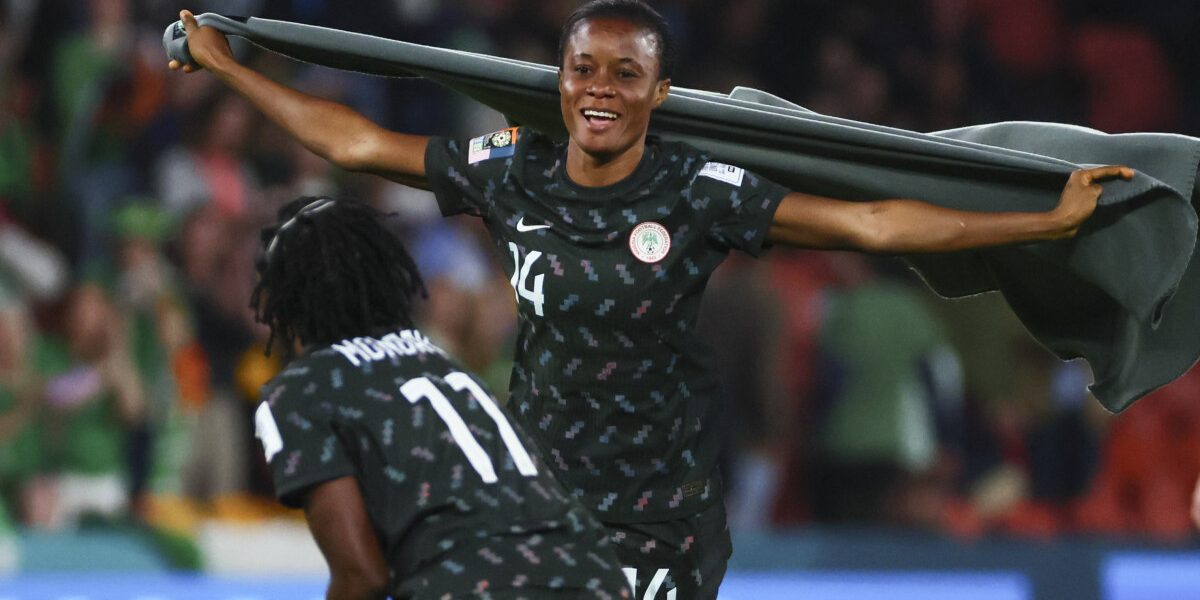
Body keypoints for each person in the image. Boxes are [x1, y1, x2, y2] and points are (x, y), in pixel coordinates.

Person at [171, 1, 1133, 597]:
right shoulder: (513, 171)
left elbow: (873, 225)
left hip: (658, 525)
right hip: (538, 513)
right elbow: (352, 145)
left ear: (658, 92)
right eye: (583, 68)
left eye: (623, 73)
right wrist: (228, 68)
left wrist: (1040, 224)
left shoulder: (699, 192)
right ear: (558, 79)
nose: (598, 88)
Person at [249, 197, 630, 599]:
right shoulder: (440, 360)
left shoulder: (303, 388)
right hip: (596, 573)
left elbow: (362, 576)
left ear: (284, 299)